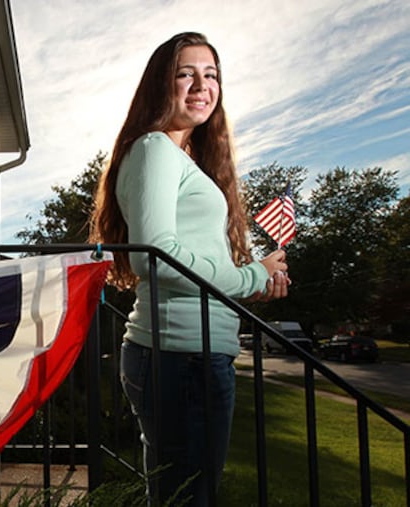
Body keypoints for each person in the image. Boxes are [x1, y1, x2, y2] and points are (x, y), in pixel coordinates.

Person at [89, 32, 290, 506]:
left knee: (189, 494)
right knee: (186, 498)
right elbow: (155, 254)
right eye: (186, 73)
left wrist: (248, 280)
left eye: (211, 75)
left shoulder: (183, 158)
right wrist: (251, 277)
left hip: (195, 354)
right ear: (162, 84)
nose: (202, 85)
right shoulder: (155, 148)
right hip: (178, 356)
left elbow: (192, 255)